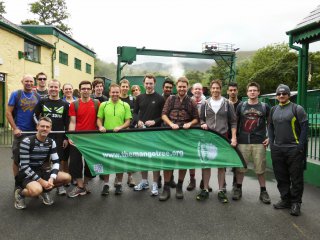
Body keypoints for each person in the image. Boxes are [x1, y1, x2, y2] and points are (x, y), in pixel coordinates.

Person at [14, 117, 71, 210]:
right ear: (37, 127)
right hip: (26, 174)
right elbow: (24, 166)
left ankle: (45, 191)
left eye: (47, 127)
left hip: (41, 170)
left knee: (67, 178)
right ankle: (20, 194)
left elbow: (56, 162)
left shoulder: (51, 142)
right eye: (42, 126)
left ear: (50, 129)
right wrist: (42, 181)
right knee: (36, 190)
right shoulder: (27, 141)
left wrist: (52, 179)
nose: (45, 128)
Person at [269, 84, 308, 216]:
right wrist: (272, 143)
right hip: (277, 149)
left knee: (296, 178)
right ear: (276, 96)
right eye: (279, 94)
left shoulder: (297, 109)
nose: (281, 96)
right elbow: (270, 127)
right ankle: (285, 200)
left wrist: (300, 146)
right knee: (281, 176)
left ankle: (296, 203)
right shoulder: (273, 109)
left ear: (289, 95)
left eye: (284, 93)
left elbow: (304, 128)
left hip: (293, 149)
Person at [159, 76, 199, 201]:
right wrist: (171, 124)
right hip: (170, 134)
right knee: (168, 161)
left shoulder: (191, 101)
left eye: (184, 86)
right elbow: (163, 115)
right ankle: (166, 188)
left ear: (187, 87)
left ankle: (179, 186)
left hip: (185, 136)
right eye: (180, 86)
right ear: (177, 87)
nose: (182, 88)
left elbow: (196, 118)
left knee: (183, 161)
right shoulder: (170, 99)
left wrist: (190, 124)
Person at [197, 79, 237, 202]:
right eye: (213, 88)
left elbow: (233, 122)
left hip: (222, 137)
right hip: (207, 137)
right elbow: (200, 119)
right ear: (210, 89)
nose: (215, 90)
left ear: (220, 89)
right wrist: (203, 123)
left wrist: (234, 137)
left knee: (221, 165)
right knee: (206, 164)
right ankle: (204, 190)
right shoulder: (205, 103)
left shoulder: (227, 103)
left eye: (217, 88)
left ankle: (221, 190)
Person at [232, 82, 271, 204]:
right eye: (250, 90)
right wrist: (235, 138)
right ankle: (238, 189)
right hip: (243, 141)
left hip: (259, 142)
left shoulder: (264, 106)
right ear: (247, 92)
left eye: (255, 90)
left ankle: (263, 191)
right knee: (240, 168)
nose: (252, 92)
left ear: (259, 92)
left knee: (260, 169)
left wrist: (269, 137)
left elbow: (270, 123)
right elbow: (235, 123)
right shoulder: (241, 106)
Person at [33, 79, 70, 195]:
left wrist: (65, 137)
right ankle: (44, 185)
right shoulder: (43, 101)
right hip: (44, 137)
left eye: (55, 87)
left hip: (59, 137)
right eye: (51, 87)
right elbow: (35, 115)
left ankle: (58, 186)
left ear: (59, 89)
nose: (53, 89)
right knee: (43, 161)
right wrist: (40, 127)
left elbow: (67, 122)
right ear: (48, 88)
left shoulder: (64, 104)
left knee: (57, 160)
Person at [6, 74, 41, 189]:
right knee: (17, 159)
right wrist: (15, 128)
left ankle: (31, 181)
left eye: (31, 81)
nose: (29, 83)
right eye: (26, 81)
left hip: (34, 133)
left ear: (33, 83)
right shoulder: (16, 94)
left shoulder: (37, 96)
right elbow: (8, 112)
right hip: (20, 133)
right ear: (22, 82)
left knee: (32, 159)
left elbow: (40, 114)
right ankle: (18, 183)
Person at [133, 74, 165, 196]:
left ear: (154, 84)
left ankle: (155, 183)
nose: (149, 85)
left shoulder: (160, 99)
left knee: (155, 158)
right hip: (142, 133)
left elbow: (163, 116)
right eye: (147, 83)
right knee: (143, 157)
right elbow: (135, 113)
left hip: (155, 134)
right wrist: (138, 121)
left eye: (151, 83)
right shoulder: (139, 97)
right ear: (143, 83)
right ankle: (144, 181)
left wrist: (155, 121)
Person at [97, 83, 132, 195]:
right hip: (106, 139)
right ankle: (106, 184)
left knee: (119, 162)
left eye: (117, 92)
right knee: (106, 162)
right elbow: (99, 119)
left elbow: (128, 121)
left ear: (119, 92)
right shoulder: (103, 104)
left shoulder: (125, 105)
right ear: (109, 92)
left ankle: (119, 184)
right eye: (113, 92)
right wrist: (100, 126)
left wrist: (120, 127)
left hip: (121, 139)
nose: (115, 94)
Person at [67, 80, 100, 198]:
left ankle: (84, 184)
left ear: (91, 90)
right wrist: (70, 136)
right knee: (75, 164)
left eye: (87, 88)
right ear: (80, 90)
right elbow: (72, 122)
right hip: (77, 139)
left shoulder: (97, 103)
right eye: (83, 88)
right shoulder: (74, 104)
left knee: (92, 164)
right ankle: (80, 186)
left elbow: (99, 121)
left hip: (92, 140)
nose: (85, 90)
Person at [158, 77, 177, 189]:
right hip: (160, 130)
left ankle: (171, 179)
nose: (168, 89)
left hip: (171, 131)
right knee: (161, 156)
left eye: (170, 87)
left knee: (172, 155)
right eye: (166, 87)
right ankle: (160, 178)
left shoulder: (174, 99)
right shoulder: (158, 98)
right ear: (163, 87)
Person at [187, 83, 206, 191]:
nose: (197, 91)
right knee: (192, 157)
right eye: (195, 89)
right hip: (191, 133)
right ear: (192, 90)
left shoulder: (207, 102)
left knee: (204, 157)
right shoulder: (188, 101)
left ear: (202, 90)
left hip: (204, 133)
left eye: (199, 89)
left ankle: (204, 181)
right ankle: (192, 180)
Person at [119, 79, 136, 186]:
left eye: (126, 86)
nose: (125, 88)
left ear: (129, 88)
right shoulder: (115, 97)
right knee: (118, 155)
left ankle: (130, 177)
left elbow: (135, 114)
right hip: (116, 132)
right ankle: (117, 178)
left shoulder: (132, 99)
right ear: (120, 87)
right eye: (123, 86)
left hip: (129, 131)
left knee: (129, 155)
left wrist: (131, 126)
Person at [226, 82, 242, 191]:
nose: (232, 92)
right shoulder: (223, 103)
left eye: (234, 90)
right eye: (230, 90)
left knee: (237, 160)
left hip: (239, 136)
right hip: (224, 135)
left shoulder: (242, 105)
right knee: (223, 160)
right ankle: (222, 185)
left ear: (237, 91)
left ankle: (236, 184)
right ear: (227, 91)